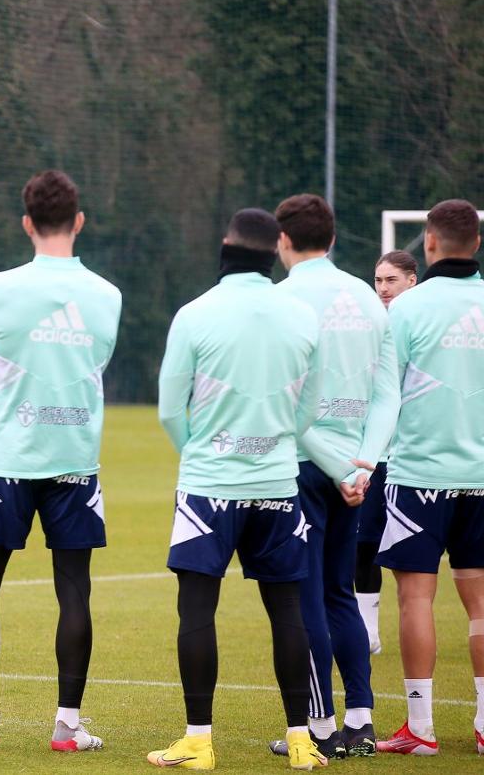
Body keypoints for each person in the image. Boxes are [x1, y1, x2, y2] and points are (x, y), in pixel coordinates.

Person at [0, 170, 120, 754]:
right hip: (75, 462)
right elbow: (101, 356)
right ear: (80, 221)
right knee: (75, 592)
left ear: (26, 223)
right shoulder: (107, 294)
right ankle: (67, 727)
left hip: (8, 458)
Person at [148, 208, 325, 771]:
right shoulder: (301, 315)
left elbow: (170, 410)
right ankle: (301, 740)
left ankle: (199, 742)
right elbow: (308, 410)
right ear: (276, 246)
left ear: (226, 245)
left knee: (197, 609)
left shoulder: (195, 314)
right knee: (288, 609)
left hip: (210, 487)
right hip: (278, 482)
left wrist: (204, 454)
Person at [262, 194, 399, 760]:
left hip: (301, 463)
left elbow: (286, 402)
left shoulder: (279, 299)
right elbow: (389, 391)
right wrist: (363, 462)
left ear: (282, 240)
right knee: (342, 591)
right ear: (335, 239)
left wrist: (337, 465)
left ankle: (319, 727)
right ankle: (362, 720)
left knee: (305, 597)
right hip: (358, 469)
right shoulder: (368, 297)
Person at [374, 199, 484, 756]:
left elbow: (384, 395)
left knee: (416, 598)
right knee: (482, 604)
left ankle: (421, 728)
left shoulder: (407, 310)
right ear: (478, 244)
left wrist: (365, 459)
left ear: (431, 245)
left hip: (419, 475)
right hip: (483, 476)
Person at [354, 250, 418, 654]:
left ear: (412, 280)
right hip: (378, 454)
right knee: (363, 543)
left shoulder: (417, 321)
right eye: (378, 280)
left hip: (415, 459)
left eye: (391, 280)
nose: (382, 288)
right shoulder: (373, 325)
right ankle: (369, 631)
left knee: (413, 559)